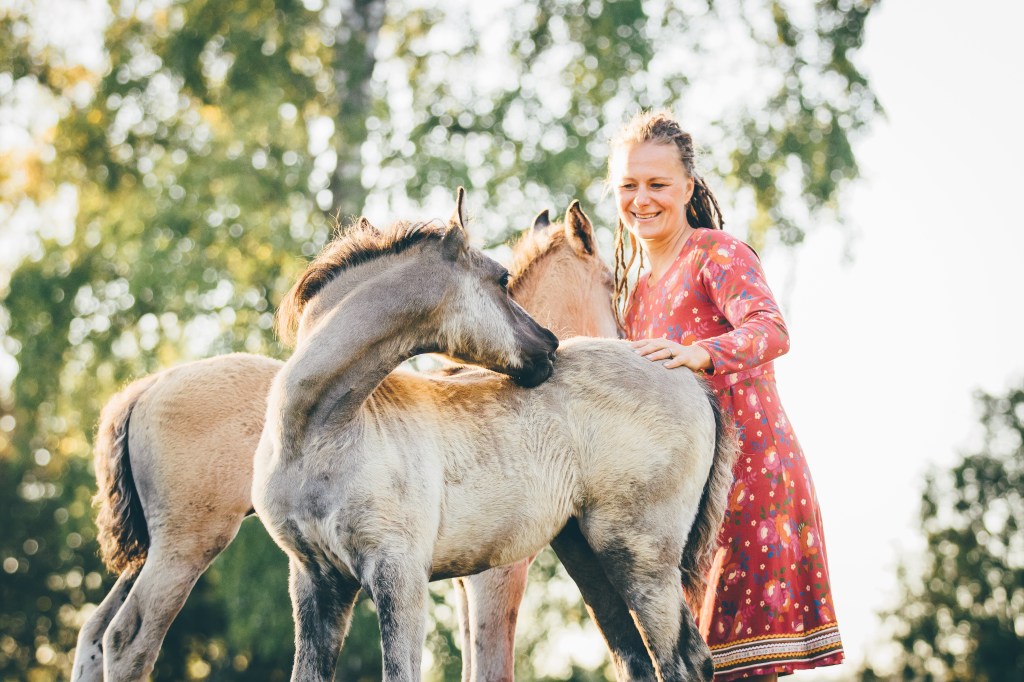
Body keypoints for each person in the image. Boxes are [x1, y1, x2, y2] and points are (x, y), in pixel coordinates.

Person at [609, 110, 844, 680]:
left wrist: (701, 353)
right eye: (628, 185)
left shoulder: (716, 253)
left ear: (688, 188)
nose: (642, 199)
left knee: (742, 671)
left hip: (750, 483)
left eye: (658, 184)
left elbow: (772, 329)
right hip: (684, 509)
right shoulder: (635, 297)